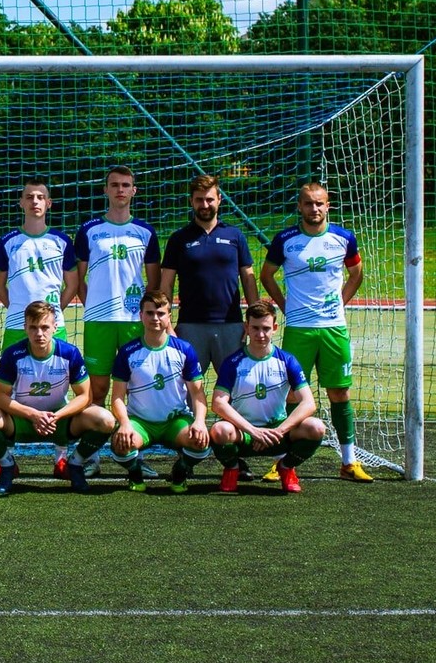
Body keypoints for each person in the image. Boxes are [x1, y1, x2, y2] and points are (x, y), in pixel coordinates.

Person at [260, 181, 371, 482]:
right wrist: (286, 307)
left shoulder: (344, 238)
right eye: (308, 203)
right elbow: (267, 275)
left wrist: (340, 303)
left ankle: (348, 462)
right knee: (291, 394)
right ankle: (283, 462)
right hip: (299, 329)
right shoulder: (285, 240)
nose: (314, 208)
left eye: (319, 203)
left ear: (328, 205)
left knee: (339, 392)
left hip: (333, 329)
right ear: (299, 206)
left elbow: (356, 274)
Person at [0, 301, 114, 496]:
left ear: (55, 327)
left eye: (45, 327)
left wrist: (57, 416)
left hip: (60, 422)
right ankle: (7, 466)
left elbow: (85, 396)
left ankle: (75, 464)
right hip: (21, 421)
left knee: (106, 419)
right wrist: (33, 415)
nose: (39, 333)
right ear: (25, 328)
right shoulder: (13, 354)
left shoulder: (69, 353)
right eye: (33, 327)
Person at [209, 301, 325, 494]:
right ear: (246, 327)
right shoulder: (233, 362)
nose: (260, 334)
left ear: (275, 328)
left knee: (316, 427)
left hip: (277, 433)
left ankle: (286, 467)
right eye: (255, 328)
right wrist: (253, 431)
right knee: (219, 430)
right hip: (244, 434)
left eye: (266, 328)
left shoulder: (287, 360)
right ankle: (232, 468)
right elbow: (218, 403)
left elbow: (308, 403)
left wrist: (279, 431)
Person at [72, 166, 160, 410]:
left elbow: (154, 282)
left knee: (137, 384)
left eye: (125, 185)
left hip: (133, 320)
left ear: (133, 191)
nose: (120, 190)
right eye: (114, 185)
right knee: (98, 387)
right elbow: (78, 278)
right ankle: (97, 431)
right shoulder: (88, 230)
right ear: (106, 190)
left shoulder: (145, 232)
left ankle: (132, 429)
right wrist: (93, 304)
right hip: (99, 320)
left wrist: (142, 311)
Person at [109, 290, 211, 492]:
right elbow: (117, 397)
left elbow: (198, 394)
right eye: (150, 313)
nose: (155, 318)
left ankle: (180, 470)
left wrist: (199, 421)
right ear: (141, 316)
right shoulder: (128, 352)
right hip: (140, 422)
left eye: (160, 313)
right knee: (120, 443)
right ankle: (135, 472)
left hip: (175, 421)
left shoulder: (184, 350)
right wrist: (125, 423)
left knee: (201, 441)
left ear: (169, 316)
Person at [159, 174, 258, 379]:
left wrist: (255, 318)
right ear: (191, 201)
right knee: (185, 386)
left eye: (209, 199)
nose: (205, 205)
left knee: (236, 385)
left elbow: (248, 279)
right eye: (199, 200)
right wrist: (167, 323)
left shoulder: (235, 235)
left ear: (219, 199)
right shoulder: (178, 239)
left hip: (231, 325)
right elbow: (166, 284)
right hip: (190, 326)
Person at [0, 180, 78, 349]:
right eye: (29, 197)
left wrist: (52, 311)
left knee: (58, 366)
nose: (35, 201)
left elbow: (72, 285)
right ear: (21, 202)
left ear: (49, 203)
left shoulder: (62, 241)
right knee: (12, 367)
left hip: (53, 325)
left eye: (40, 197)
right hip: (17, 324)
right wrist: (18, 307)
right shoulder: (6, 242)